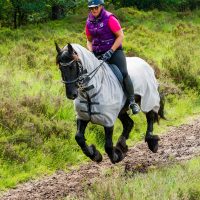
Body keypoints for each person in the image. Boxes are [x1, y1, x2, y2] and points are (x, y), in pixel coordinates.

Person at [85, 0, 140, 114]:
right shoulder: (89, 22)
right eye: (91, 8)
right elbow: (89, 40)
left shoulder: (110, 18)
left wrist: (111, 51)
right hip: (97, 53)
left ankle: (131, 102)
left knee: (123, 73)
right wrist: (90, 52)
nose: (94, 10)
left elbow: (120, 36)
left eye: (96, 7)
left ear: (101, 6)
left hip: (114, 51)